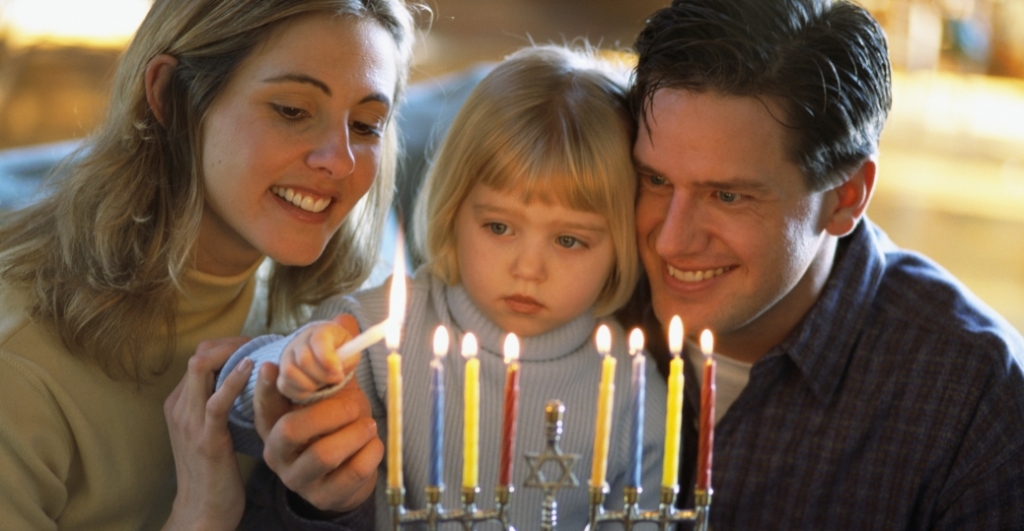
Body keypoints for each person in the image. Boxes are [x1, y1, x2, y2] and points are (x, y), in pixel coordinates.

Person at [0, 0, 415, 529]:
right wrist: (200, 517)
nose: (340, 159)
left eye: (365, 124)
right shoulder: (19, 362)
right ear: (170, 97)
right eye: (292, 110)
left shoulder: (332, 322)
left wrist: (327, 508)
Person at [220, 45, 668, 530]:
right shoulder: (384, 329)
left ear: (620, 244)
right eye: (499, 227)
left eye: (568, 239)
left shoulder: (633, 386)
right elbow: (240, 419)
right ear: (454, 210)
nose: (528, 268)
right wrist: (294, 365)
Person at [617, 0, 1024, 529]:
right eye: (656, 181)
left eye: (727, 196)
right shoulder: (569, 295)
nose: (670, 241)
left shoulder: (975, 401)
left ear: (846, 198)